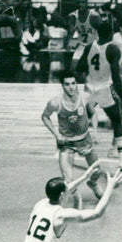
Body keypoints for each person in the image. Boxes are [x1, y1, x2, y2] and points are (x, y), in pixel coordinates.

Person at [74, 20, 122, 168]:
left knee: (79, 119)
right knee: (116, 121)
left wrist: (89, 74)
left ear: (97, 32)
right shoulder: (112, 49)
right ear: (111, 33)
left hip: (89, 89)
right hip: (104, 89)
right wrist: (121, 98)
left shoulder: (90, 46)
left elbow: (79, 67)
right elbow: (116, 75)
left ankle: (69, 150)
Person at [41, 70, 105, 201]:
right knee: (69, 182)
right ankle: (76, 202)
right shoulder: (55, 103)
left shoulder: (86, 97)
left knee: (97, 171)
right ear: (62, 86)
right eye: (67, 84)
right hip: (66, 144)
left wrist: (95, 132)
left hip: (84, 140)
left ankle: (92, 183)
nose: (71, 87)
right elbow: (45, 117)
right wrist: (56, 134)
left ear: (77, 84)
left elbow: (93, 114)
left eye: (73, 83)